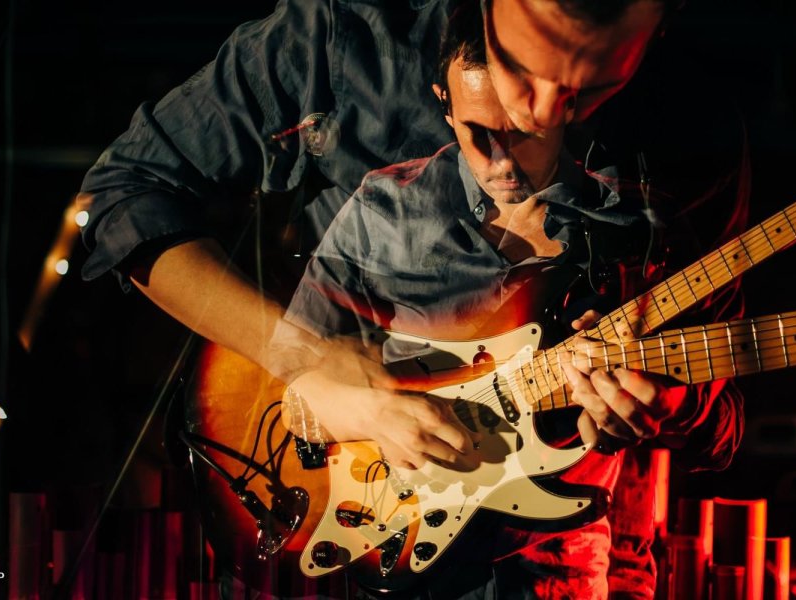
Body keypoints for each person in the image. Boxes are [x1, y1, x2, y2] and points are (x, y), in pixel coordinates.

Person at [78, 0, 749, 596]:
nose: (542, 112)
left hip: (553, 566)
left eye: (589, 88)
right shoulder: (340, 37)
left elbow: (721, 425)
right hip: (331, 533)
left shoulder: (697, 127)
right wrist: (304, 359)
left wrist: (673, 406)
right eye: (524, 67)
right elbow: (123, 198)